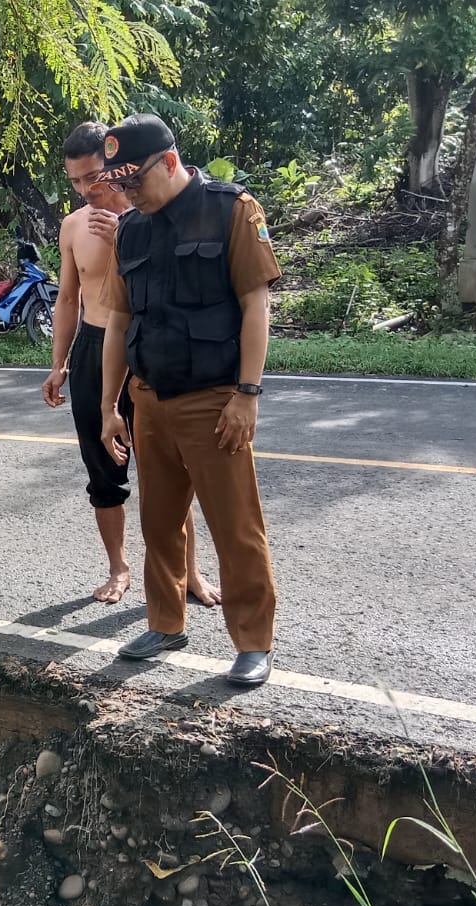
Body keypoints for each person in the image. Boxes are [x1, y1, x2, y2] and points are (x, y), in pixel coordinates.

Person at [96, 114, 279, 686]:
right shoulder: (132, 230)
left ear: (169, 163)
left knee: (235, 526)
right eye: (120, 186)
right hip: (149, 399)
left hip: (214, 400)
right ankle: (165, 621)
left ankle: (252, 641)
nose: (129, 196)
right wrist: (109, 406)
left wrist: (247, 394)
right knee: (159, 521)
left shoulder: (231, 211)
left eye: (135, 184)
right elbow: (119, 320)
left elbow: (256, 305)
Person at [43, 121, 219, 607]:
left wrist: (124, 235)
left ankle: (189, 572)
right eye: (75, 182)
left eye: (94, 177)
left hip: (145, 349)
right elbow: (68, 299)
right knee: (102, 468)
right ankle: (118, 568)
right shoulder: (74, 226)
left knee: (169, 470)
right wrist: (59, 363)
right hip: (92, 350)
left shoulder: (151, 218)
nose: (86, 191)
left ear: (118, 168)